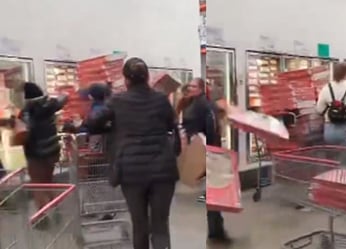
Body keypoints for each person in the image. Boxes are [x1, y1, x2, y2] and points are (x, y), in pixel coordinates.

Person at [86, 57, 180, 249]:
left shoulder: (117, 101)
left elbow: (93, 122)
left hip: (131, 171)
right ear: (147, 78)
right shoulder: (161, 99)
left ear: (126, 80)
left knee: (140, 224)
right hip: (163, 169)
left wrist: (112, 126)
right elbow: (171, 124)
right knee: (160, 225)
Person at [180, 78, 231, 244]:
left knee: (213, 193)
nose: (191, 88)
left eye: (194, 86)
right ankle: (216, 229)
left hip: (206, 152)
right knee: (212, 193)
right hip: (201, 152)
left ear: (201, 89)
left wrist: (212, 150)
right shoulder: (193, 104)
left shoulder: (204, 106)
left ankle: (216, 230)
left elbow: (212, 129)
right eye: (190, 85)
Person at [20, 82, 68, 228]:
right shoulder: (51, 104)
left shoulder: (27, 111)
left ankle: (42, 218)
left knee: (37, 185)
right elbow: (65, 97)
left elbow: (27, 129)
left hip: (36, 153)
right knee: (49, 181)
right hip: (52, 150)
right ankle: (57, 211)